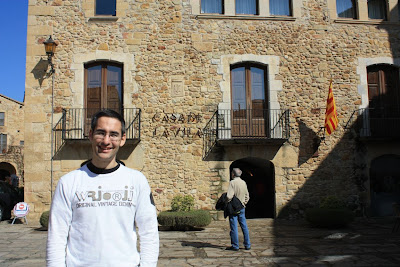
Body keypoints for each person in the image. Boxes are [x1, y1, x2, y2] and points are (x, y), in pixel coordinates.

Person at [46, 109, 159, 267]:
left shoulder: (137, 181)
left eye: (113, 134)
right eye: (101, 133)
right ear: (91, 135)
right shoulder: (68, 182)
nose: (106, 141)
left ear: (122, 139)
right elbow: (56, 237)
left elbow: (149, 233)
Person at [226, 168, 251, 251]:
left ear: (233, 174)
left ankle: (235, 245)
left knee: (234, 227)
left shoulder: (232, 182)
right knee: (244, 226)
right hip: (242, 207)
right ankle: (247, 245)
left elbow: (229, 196)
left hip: (234, 208)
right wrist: (244, 203)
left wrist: (227, 202)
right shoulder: (243, 182)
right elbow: (247, 195)